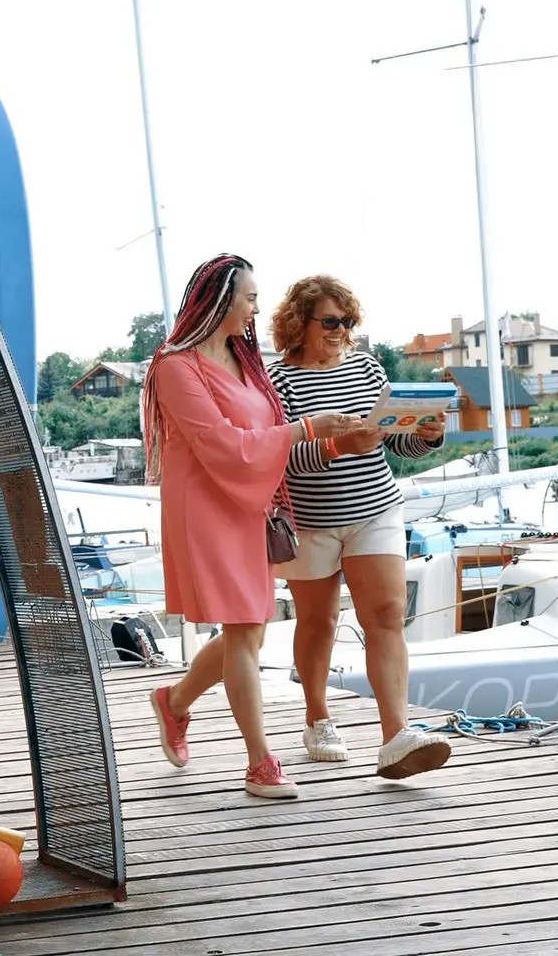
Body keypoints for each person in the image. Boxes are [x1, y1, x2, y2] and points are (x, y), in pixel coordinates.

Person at [141, 254, 370, 799]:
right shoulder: (174, 366)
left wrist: (334, 442)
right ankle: (259, 762)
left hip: (251, 506)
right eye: (249, 298)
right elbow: (221, 444)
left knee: (251, 629)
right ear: (219, 300)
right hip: (207, 509)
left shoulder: (247, 362)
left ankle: (174, 701)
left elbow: (266, 438)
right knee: (245, 629)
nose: (256, 309)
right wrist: (308, 429)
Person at [266, 273, 452, 780]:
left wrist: (427, 435)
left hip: (375, 509)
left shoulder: (367, 368)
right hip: (310, 521)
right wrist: (336, 447)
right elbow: (277, 459)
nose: (341, 331)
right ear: (300, 322)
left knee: (387, 614)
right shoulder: (277, 382)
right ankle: (317, 718)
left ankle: (396, 736)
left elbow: (394, 443)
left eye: (348, 321)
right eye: (330, 321)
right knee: (318, 622)